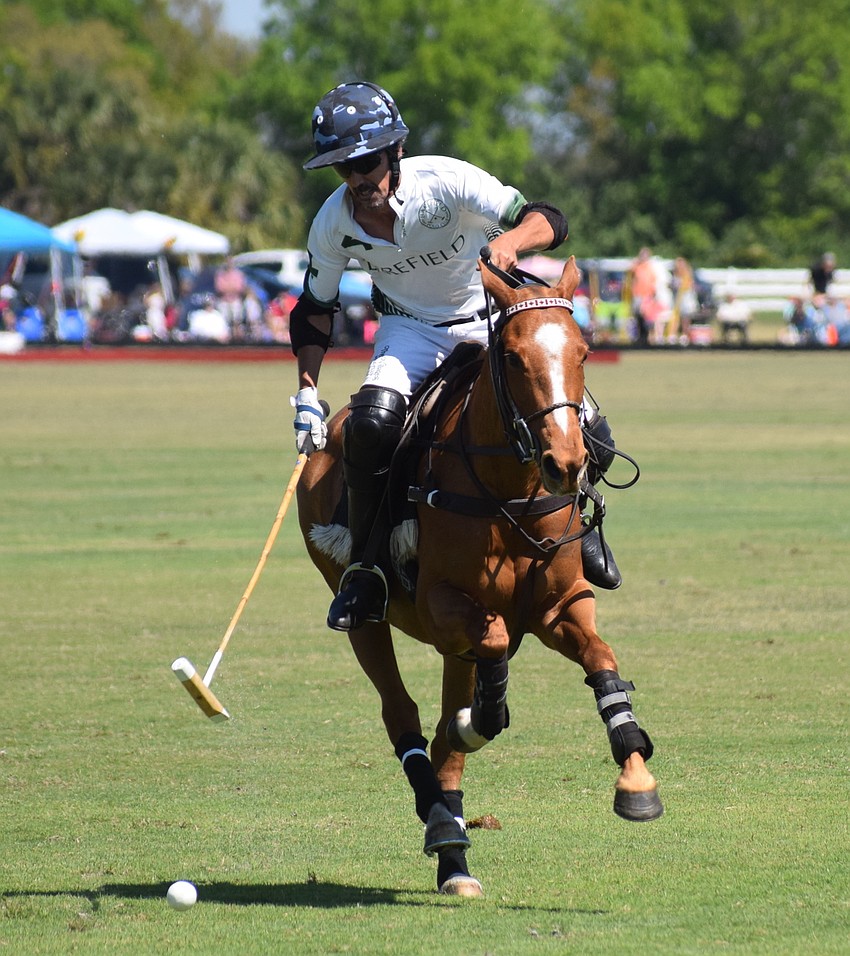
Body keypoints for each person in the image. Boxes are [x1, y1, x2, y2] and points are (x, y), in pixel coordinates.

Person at [290, 81, 623, 633]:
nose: (357, 179)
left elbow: (549, 217)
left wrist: (513, 241)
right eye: (342, 167)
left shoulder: (447, 181)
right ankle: (369, 569)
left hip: (489, 318)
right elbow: (314, 310)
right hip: (409, 329)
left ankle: (581, 533)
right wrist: (306, 392)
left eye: (366, 161)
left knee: (592, 430)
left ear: (395, 151)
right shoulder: (333, 223)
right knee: (371, 427)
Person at [628, 247, 657, 346]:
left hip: (647, 296)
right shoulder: (637, 266)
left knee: (647, 318)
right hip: (638, 295)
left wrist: (652, 295)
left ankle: (647, 337)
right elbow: (630, 273)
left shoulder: (650, 268)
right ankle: (640, 336)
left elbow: (653, 282)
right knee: (638, 316)